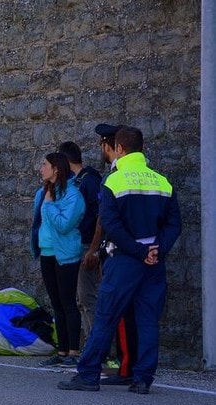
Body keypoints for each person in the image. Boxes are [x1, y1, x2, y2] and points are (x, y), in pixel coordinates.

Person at [58, 126, 181, 394]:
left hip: (125, 260)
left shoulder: (114, 181)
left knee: (105, 316)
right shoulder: (162, 181)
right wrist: (157, 249)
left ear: (120, 148)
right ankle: (142, 379)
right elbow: (174, 224)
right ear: (141, 148)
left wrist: (138, 251)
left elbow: (111, 224)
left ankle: (88, 375)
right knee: (148, 320)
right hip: (154, 263)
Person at [92, 123, 139, 386]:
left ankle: (124, 366)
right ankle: (129, 365)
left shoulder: (115, 177)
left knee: (118, 313)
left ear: (111, 147)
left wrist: (95, 250)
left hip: (120, 252)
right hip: (138, 251)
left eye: (102, 145)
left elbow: (105, 220)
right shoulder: (142, 174)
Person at [31, 152, 86, 368]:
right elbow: (38, 223)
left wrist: (49, 205)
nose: (41, 168)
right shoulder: (43, 192)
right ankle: (62, 351)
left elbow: (64, 225)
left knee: (68, 303)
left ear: (56, 169)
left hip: (66, 255)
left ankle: (73, 351)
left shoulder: (73, 195)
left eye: (44, 165)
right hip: (47, 253)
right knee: (56, 304)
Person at [57, 141, 102, 343]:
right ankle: (90, 343)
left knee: (87, 297)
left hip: (86, 246)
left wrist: (93, 250)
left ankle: (96, 346)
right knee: (79, 299)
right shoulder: (76, 182)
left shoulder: (89, 181)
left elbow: (100, 217)